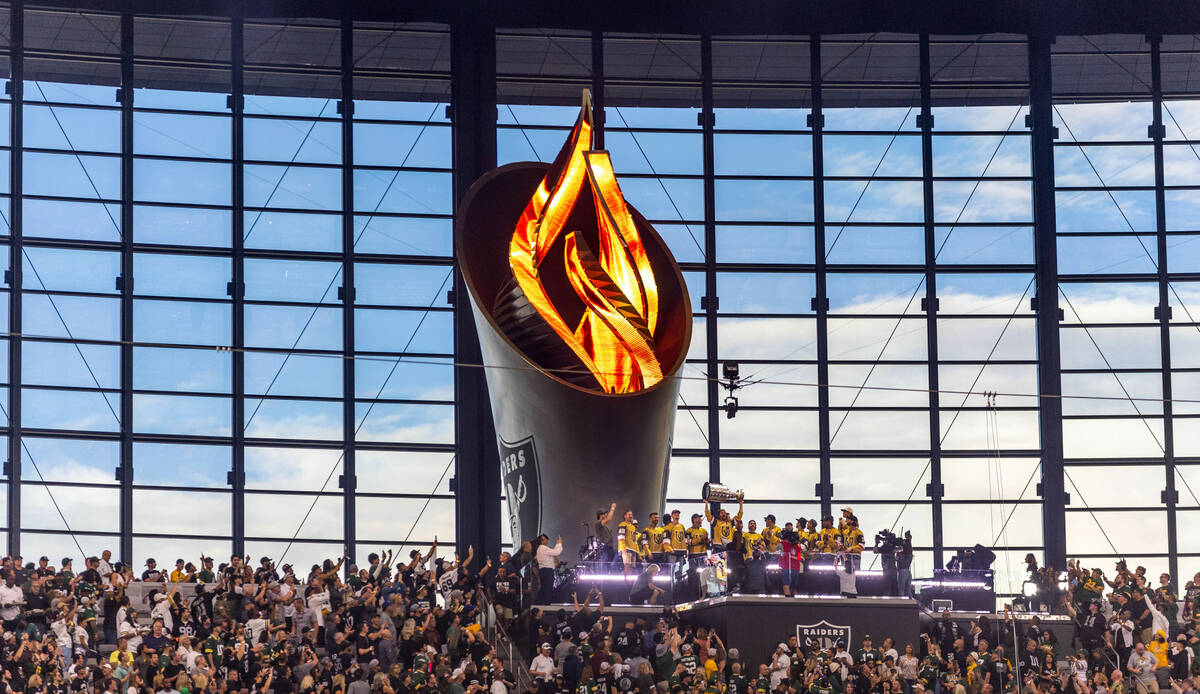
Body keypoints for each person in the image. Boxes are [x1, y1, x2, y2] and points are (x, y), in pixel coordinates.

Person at [534, 534, 563, 604]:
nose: (547, 540)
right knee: (548, 588)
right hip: (547, 571)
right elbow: (557, 552)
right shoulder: (543, 548)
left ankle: (539, 603)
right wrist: (559, 543)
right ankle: (546, 604)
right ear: (542, 540)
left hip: (543, 571)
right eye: (545, 539)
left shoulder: (539, 549)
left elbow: (553, 552)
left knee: (544, 588)